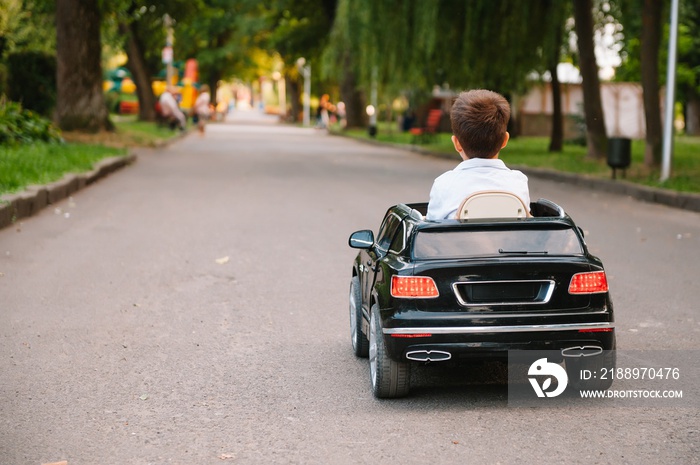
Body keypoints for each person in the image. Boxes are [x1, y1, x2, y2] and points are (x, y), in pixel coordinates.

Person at [425, 89, 530, 221]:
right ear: (505, 140)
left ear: (457, 143)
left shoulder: (444, 184)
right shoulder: (518, 182)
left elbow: (431, 232)